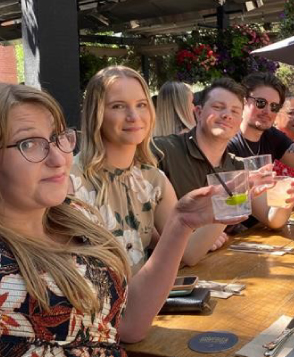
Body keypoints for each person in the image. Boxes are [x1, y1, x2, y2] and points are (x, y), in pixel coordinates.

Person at [0, 84, 226, 354]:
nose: (59, 158)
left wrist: (181, 223)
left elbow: (127, 324)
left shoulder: (75, 215)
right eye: (30, 144)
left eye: (58, 137)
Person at [71, 66, 238, 270]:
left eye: (141, 104)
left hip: (142, 300)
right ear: (96, 114)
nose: (134, 116)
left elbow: (188, 253)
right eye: (118, 106)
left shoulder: (152, 179)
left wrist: (231, 200)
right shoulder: (71, 180)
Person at [153, 77, 294, 232]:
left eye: (235, 111)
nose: (227, 115)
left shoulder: (239, 167)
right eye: (218, 107)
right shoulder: (163, 150)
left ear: (239, 121)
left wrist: (288, 199)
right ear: (198, 112)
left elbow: (272, 219)